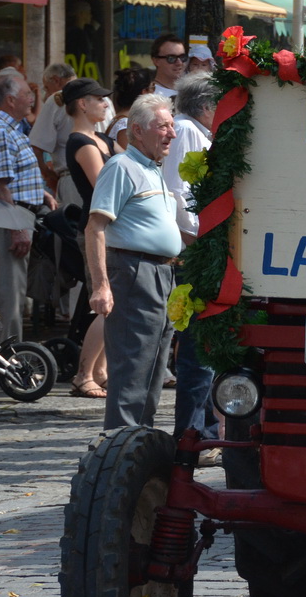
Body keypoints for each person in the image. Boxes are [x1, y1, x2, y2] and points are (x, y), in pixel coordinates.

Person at [88, 94, 181, 430]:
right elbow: (96, 226)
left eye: (172, 125)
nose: (172, 133)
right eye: (163, 126)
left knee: (153, 370)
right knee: (132, 371)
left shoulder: (151, 169)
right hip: (134, 271)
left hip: (160, 272)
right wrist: (101, 285)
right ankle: (120, 452)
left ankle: (139, 447)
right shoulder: (121, 166)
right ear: (138, 131)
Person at [0, 67, 53, 342]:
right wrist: (17, 227)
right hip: (6, 218)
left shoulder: (10, 129)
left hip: (9, 215)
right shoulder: (0, 131)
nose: (31, 97)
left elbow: (11, 177)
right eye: (26, 93)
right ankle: (9, 356)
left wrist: (40, 194)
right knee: (8, 293)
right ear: (9, 100)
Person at [165, 72, 219, 441]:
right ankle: (193, 432)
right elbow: (179, 192)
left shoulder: (195, 132)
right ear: (205, 106)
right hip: (193, 247)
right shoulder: (186, 131)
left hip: (200, 244)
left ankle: (206, 428)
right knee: (197, 348)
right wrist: (200, 235)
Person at [61, 76, 116, 398]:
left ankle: (100, 370)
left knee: (115, 302)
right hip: (97, 228)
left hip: (111, 228)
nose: (105, 104)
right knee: (107, 304)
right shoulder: (82, 143)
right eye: (99, 99)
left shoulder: (102, 138)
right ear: (83, 104)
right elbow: (104, 187)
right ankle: (84, 374)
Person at [26, 62, 77, 193]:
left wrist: (48, 174)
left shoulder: (56, 99)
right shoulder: (103, 100)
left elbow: (35, 148)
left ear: (56, 80)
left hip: (71, 179)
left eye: (47, 88)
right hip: (101, 178)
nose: (45, 95)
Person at [108, 65, 154, 151]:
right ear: (144, 93)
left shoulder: (124, 119)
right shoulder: (125, 124)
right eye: (152, 88)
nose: (154, 93)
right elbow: (127, 160)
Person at [149, 33, 187, 99]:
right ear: (156, 61)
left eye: (182, 57)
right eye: (171, 58)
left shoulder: (190, 92)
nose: (179, 63)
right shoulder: (149, 95)